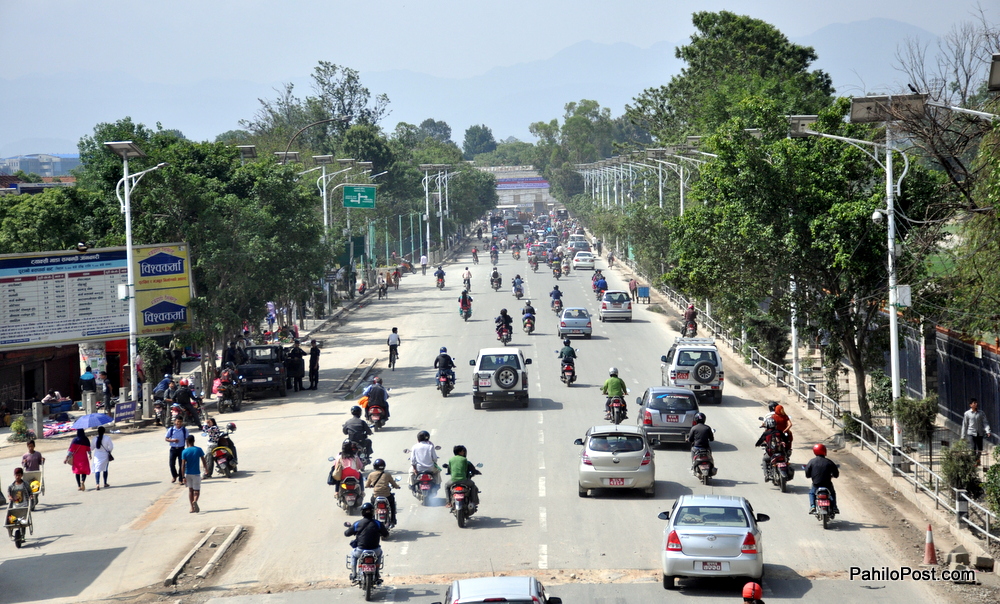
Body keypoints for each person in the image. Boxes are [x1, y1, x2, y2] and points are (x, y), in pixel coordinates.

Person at [345, 502, 389, 582]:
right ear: (373, 512)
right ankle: (377, 573)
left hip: (360, 551)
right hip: (375, 551)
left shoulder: (357, 523)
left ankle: (354, 574)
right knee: (380, 554)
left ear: (362, 512)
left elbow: (347, 533)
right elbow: (386, 534)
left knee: (353, 554)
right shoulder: (378, 523)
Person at [365, 458, 400, 527]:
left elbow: (366, 485)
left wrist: (370, 486)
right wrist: (397, 486)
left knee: (372, 507)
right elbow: (393, 483)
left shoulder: (371, 474)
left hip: (376, 496)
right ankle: (393, 519)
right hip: (387, 495)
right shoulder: (387, 474)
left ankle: (371, 520)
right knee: (392, 505)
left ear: (374, 466)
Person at [805, 443, 839, 513]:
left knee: (811, 493)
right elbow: (836, 474)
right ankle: (835, 507)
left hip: (816, 484)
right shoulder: (829, 462)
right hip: (827, 484)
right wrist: (834, 475)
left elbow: (807, 474)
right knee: (832, 493)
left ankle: (813, 506)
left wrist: (810, 475)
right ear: (824, 451)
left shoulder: (811, 462)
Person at [961, 398, 992, 465]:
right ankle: (974, 462)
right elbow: (965, 425)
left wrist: (988, 431)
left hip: (980, 433)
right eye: (974, 403)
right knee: (973, 448)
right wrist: (963, 436)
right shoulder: (967, 414)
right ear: (970, 405)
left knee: (980, 449)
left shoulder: (981, 413)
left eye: (976, 402)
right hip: (971, 433)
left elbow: (985, 422)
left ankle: (977, 459)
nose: (976, 404)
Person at [182, 434, 206, 513]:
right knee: (197, 490)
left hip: (188, 473)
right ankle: (195, 500)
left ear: (187, 441)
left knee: (190, 490)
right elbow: (203, 460)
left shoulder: (184, 451)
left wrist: (183, 477)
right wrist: (206, 469)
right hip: (196, 473)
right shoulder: (198, 449)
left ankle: (192, 508)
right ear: (194, 441)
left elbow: (182, 465)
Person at [165, 417, 189, 484]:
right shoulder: (171, 429)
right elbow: (166, 438)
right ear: (175, 422)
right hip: (173, 448)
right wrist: (173, 440)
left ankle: (181, 479)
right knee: (172, 464)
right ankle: (174, 475)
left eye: (180, 422)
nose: (179, 423)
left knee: (181, 464)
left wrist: (188, 448)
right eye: (178, 421)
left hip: (181, 449)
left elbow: (187, 439)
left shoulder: (184, 430)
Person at [91, 426, 114, 490]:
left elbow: (91, 448)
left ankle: (97, 484)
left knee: (97, 470)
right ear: (104, 431)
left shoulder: (95, 439)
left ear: (98, 432)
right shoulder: (107, 438)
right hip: (105, 455)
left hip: (97, 456)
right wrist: (109, 451)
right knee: (105, 469)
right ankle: (105, 483)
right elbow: (111, 447)